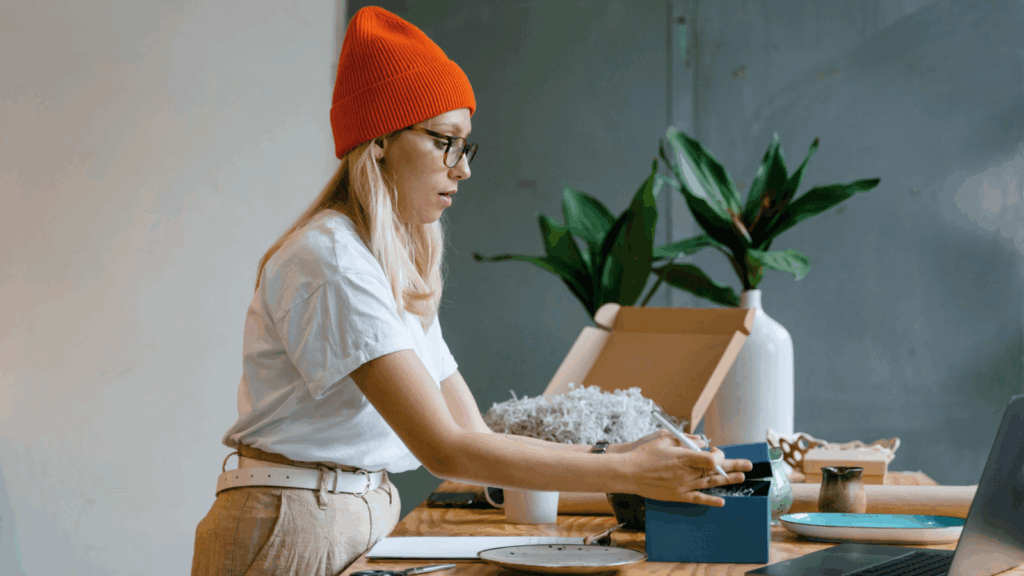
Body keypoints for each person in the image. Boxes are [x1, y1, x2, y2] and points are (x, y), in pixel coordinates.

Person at [191, 6, 753, 575]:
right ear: (381, 139)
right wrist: (627, 473)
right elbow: (445, 449)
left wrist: (621, 455)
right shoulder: (331, 260)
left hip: (343, 510)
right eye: (445, 142)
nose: (462, 169)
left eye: (466, 147)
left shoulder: (386, 264)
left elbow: (471, 434)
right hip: (294, 521)